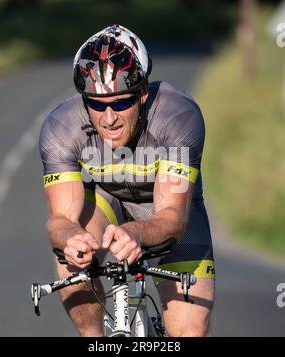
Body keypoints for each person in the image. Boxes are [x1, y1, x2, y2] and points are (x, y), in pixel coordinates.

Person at [39, 24, 215, 337]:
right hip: (106, 200)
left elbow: (173, 216)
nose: (109, 118)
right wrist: (70, 238)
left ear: (143, 93)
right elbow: (60, 220)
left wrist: (135, 231)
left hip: (164, 212)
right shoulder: (60, 128)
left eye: (121, 103)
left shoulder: (177, 116)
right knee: (72, 258)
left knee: (189, 330)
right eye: (96, 104)